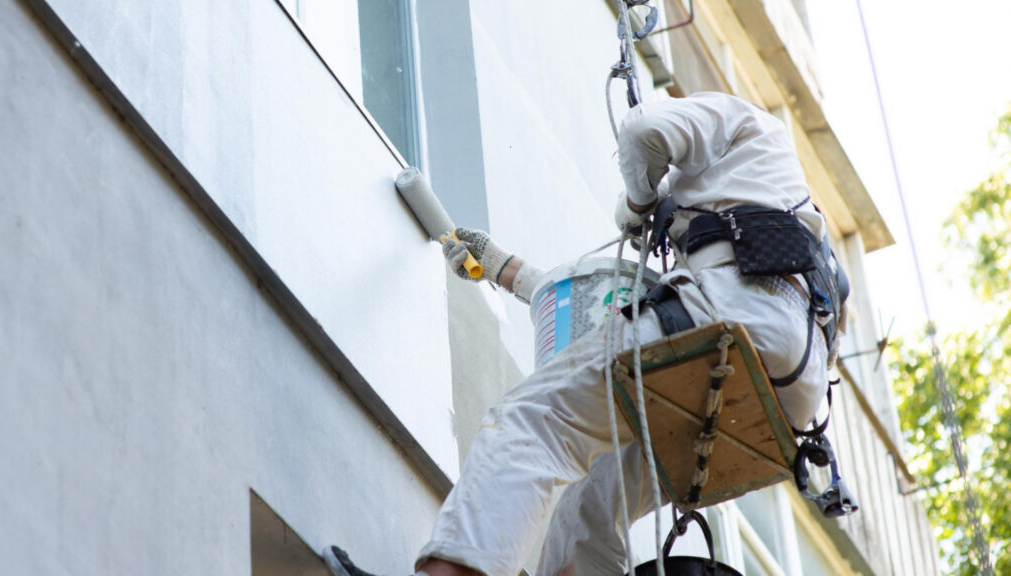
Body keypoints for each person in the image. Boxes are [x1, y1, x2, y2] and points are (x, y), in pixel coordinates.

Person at [326, 92, 845, 576]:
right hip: (783, 401)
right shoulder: (781, 217)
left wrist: (642, 202)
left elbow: (644, 128)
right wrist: (503, 269)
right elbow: (608, 305)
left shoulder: (749, 126)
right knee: (593, 500)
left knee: (535, 419)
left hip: (729, 324)